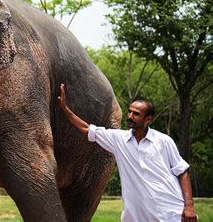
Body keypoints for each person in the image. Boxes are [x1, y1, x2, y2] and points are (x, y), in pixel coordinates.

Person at [58, 84, 197, 222]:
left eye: (136, 114)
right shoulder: (119, 140)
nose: (130, 116)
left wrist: (189, 206)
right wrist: (65, 109)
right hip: (136, 217)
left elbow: (182, 172)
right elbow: (87, 129)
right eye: (130, 111)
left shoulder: (164, 141)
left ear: (148, 119)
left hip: (170, 213)